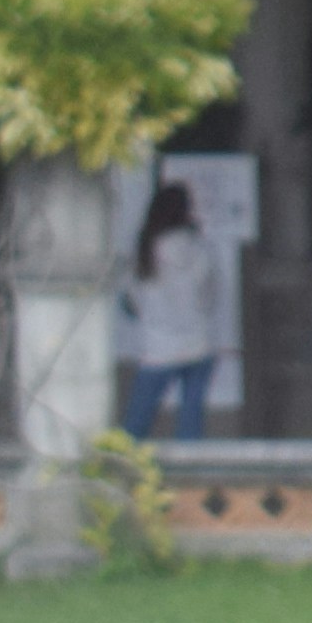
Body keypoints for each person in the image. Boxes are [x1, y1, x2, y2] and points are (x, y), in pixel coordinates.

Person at [113, 179, 220, 445]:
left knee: (136, 424)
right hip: (198, 342)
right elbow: (210, 298)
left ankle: (124, 475)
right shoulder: (200, 248)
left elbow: (131, 302)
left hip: (158, 347)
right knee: (191, 421)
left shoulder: (144, 249)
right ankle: (190, 480)